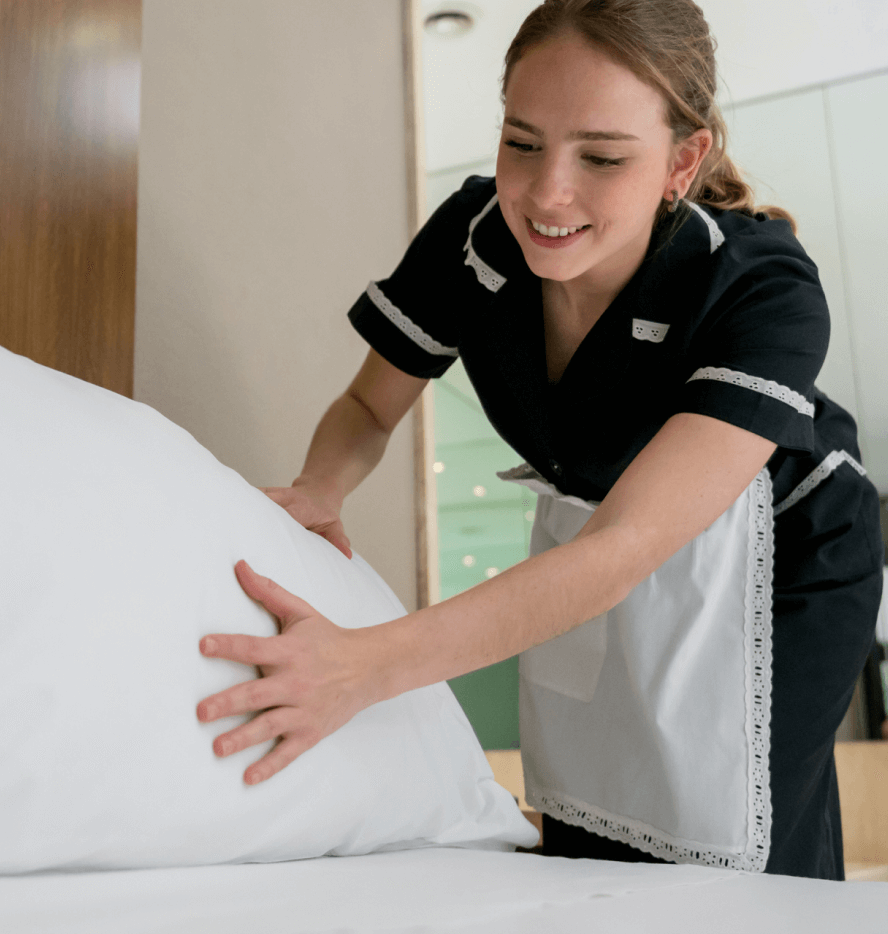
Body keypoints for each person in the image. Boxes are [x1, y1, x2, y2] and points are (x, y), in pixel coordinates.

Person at [195, 0, 883, 880]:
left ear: (683, 159)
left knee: (733, 839)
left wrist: (364, 668)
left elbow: (629, 546)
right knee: (590, 817)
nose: (546, 193)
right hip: (600, 537)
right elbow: (368, 410)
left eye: (600, 156)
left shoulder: (759, 289)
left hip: (784, 555)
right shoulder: (477, 237)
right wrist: (319, 488)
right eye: (522, 141)